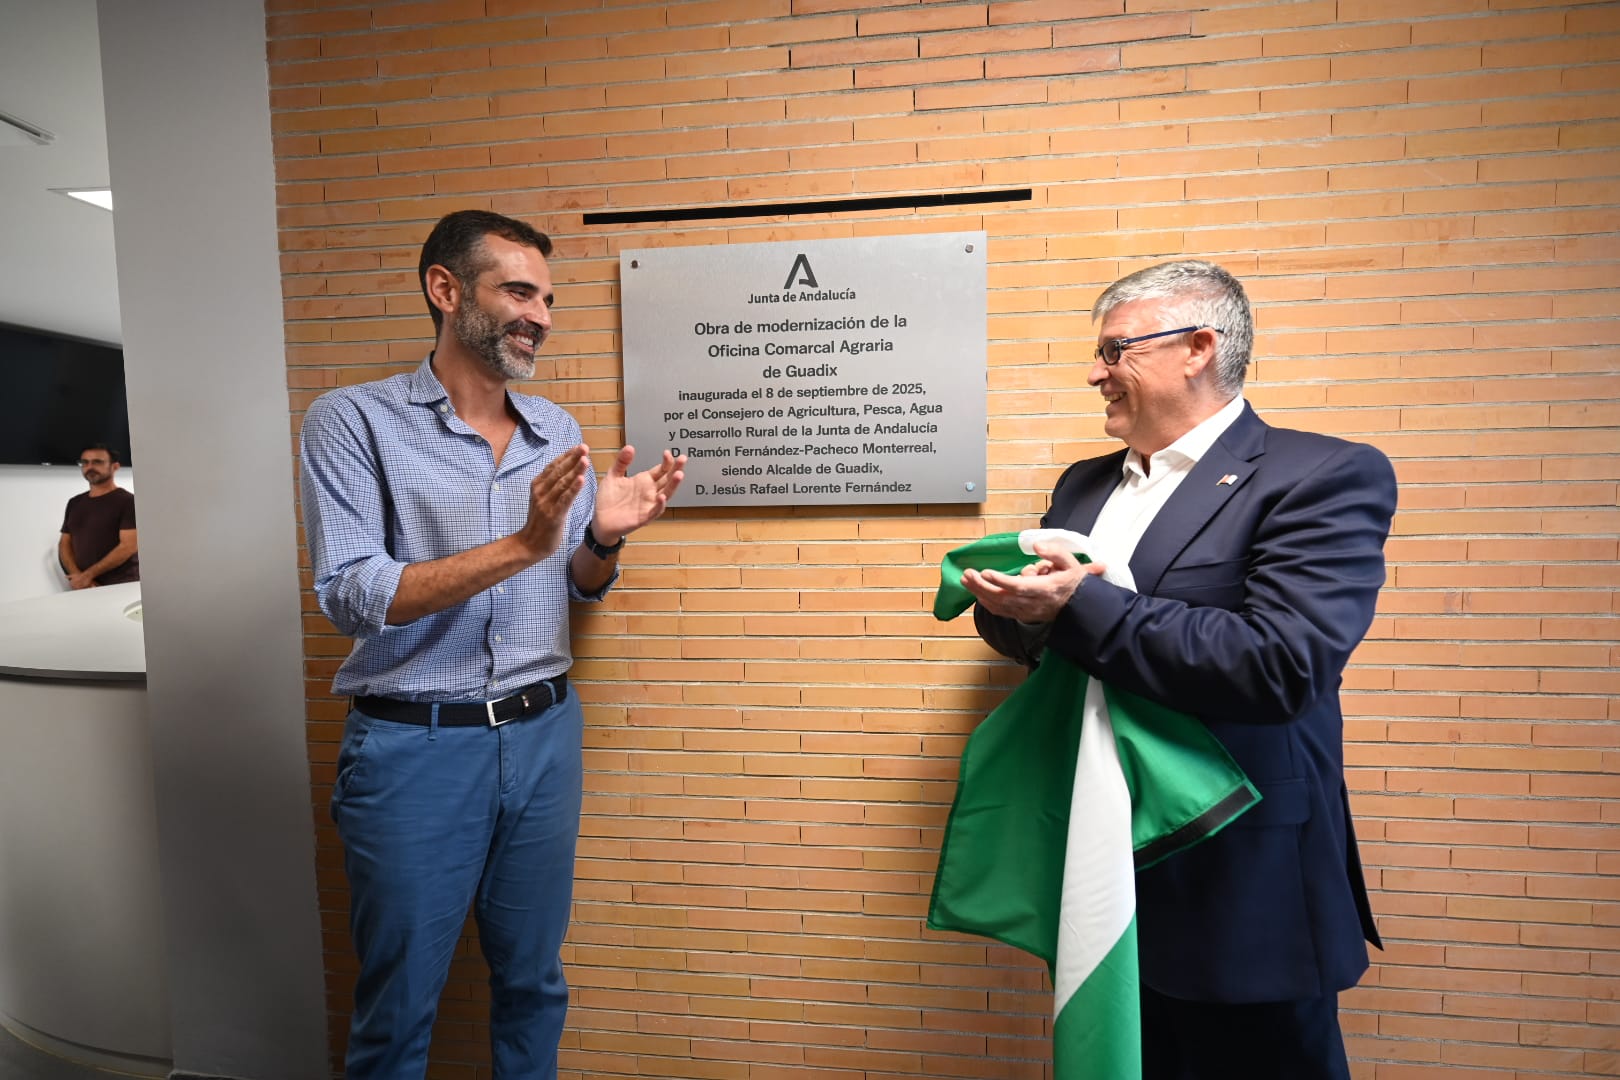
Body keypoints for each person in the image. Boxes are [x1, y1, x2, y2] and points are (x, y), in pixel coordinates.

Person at [961, 260, 1395, 1080]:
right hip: (1098, 855)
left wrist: (1070, 609)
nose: (1095, 372)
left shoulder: (1320, 476)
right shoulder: (1082, 486)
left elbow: (1282, 664)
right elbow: (1053, 641)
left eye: (1115, 349)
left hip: (1241, 876)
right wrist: (1015, 614)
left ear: (1199, 347)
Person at [299, 209, 685, 1079]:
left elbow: (575, 587)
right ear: (445, 290)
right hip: (413, 747)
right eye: (518, 290)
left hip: (545, 737)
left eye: (547, 297)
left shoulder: (556, 430)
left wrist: (604, 541)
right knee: (397, 1008)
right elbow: (353, 596)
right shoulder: (352, 422)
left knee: (534, 984)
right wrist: (522, 544)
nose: (540, 314)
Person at [59, 443, 139, 588]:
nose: (90, 467)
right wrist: (78, 576)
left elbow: (129, 546)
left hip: (122, 586)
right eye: (85, 462)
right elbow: (65, 543)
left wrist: (87, 576)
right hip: (86, 586)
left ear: (115, 467)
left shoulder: (129, 502)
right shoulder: (75, 502)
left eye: (97, 462)